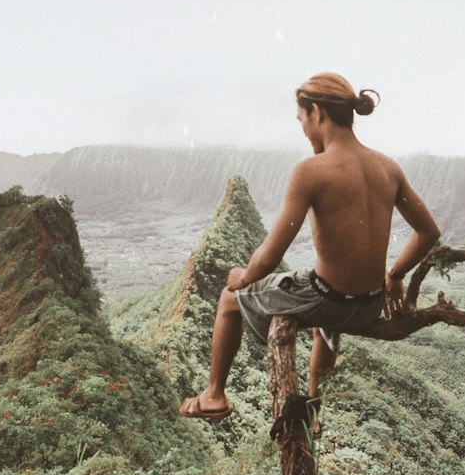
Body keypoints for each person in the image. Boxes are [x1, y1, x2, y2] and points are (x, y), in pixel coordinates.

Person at [179, 72, 441, 420]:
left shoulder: (310, 171)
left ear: (316, 113)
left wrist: (242, 278)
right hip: (368, 305)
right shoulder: (388, 167)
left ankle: (214, 395)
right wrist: (394, 274)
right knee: (325, 311)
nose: (303, 129)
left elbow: (270, 256)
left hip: (326, 299)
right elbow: (429, 232)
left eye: (302, 120)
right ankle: (314, 408)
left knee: (229, 298)